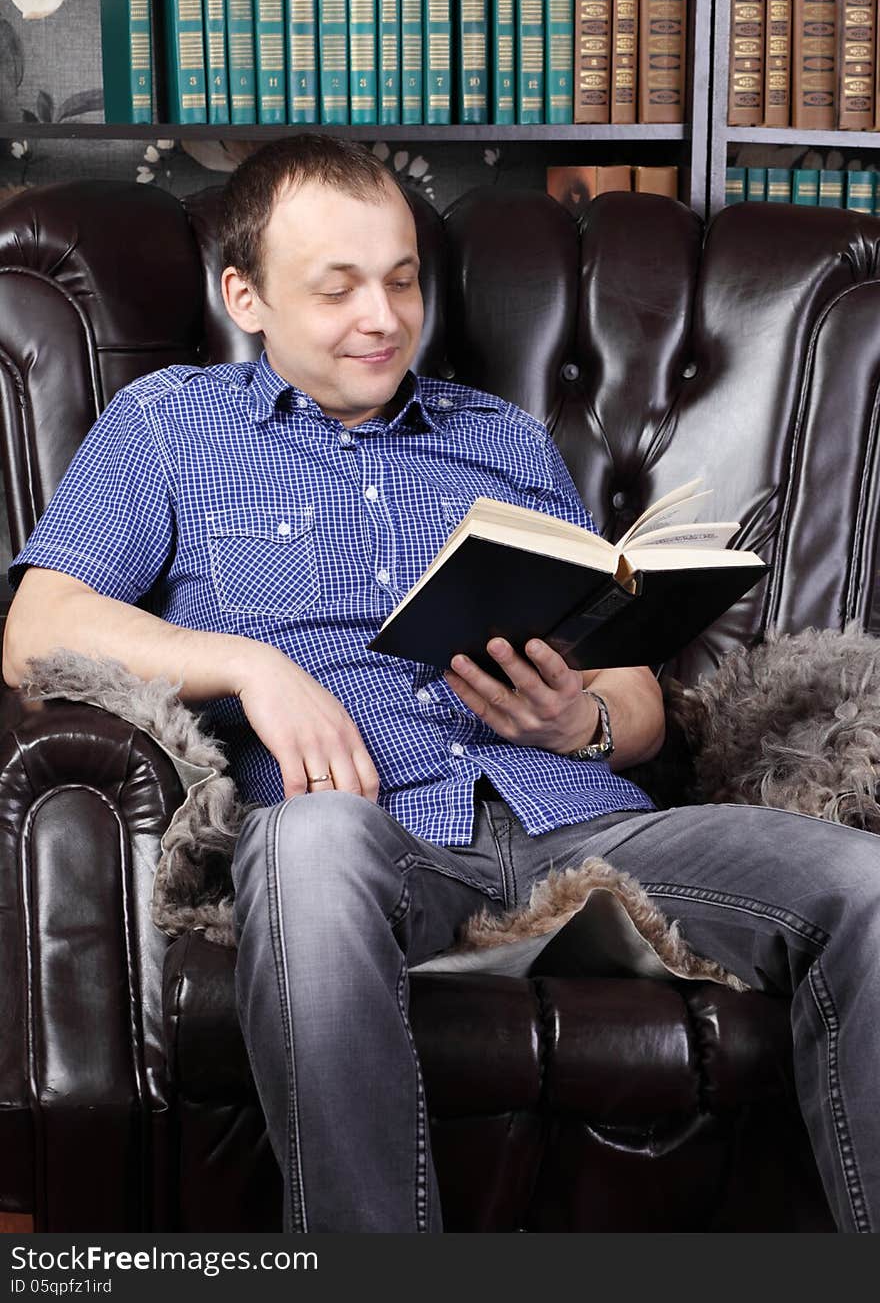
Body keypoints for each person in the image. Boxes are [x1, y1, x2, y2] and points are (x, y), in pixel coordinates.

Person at [3, 135, 878, 1235]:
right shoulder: (167, 428)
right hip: (368, 841)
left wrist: (590, 717)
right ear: (247, 296)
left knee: (866, 882)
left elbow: (638, 690)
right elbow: (36, 630)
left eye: (403, 279)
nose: (382, 316)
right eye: (337, 288)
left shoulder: (505, 441)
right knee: (308, 838)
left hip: (577, 831)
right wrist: (250, 664)